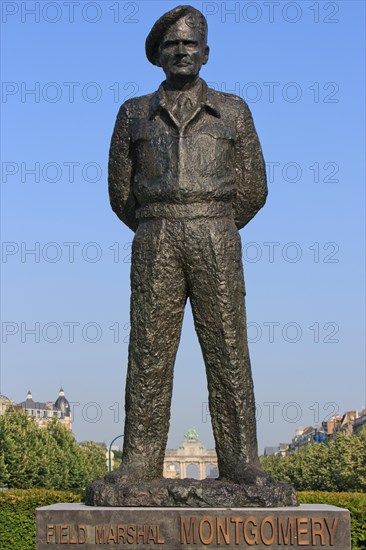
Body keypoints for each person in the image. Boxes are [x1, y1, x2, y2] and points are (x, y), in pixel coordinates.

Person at [108, 5, 268, 483]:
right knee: (149, 351)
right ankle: (139, 462)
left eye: (190, 43)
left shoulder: (234, 109)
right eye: (172, 44)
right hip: (155, 232)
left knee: (228, 350)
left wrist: (212, 219)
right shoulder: (133, 112)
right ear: (157, 54)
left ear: (206, 52)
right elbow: (121, 193)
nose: (181, 51)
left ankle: (241, 463)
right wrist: (160, 218)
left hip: (216, 231)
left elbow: (254, 188)